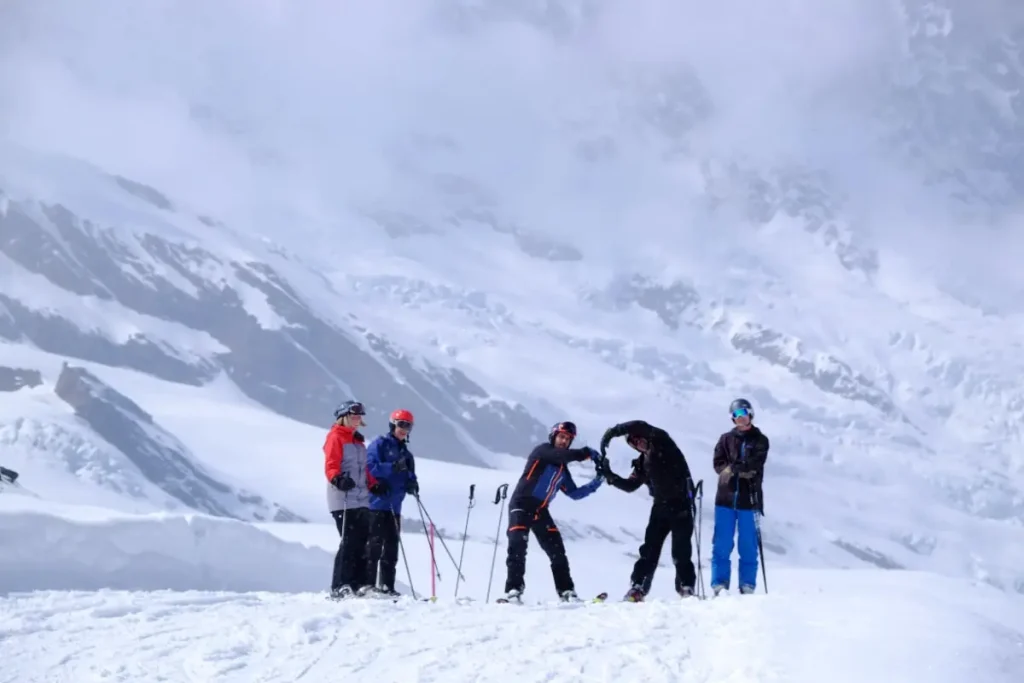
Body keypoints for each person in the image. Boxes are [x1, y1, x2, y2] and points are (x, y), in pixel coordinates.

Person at [499, 421, 603, 604]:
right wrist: (586, 452)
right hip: (521, 505)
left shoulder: (562, 469)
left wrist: (597, 482)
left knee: (557, 552)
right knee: (517, 546)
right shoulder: (543, 452)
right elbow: (563, 455)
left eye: (567, 439)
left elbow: (574, 493)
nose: (564, 441)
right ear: (554, 436)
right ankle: (513, 591)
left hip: (540, 511)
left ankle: (566, 592)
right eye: (561, 437)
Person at [597, 420, 697, 602]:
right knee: (649, 549)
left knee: (681, 550)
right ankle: (638, 587)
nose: (638, 443)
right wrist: (609, 475)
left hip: (682, 504)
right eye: (633, 443)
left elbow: (641, 425)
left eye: (638, 439)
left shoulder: (662, 442)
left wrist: (615, 431)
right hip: (660, 507)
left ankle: (686, 586)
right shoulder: (643, 462)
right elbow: (630, 485)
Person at [710, 398, 770, 596]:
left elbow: (754, 464)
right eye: (735, 415)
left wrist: (733, 468)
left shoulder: (760, 440)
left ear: (750, 414)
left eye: (743, 413)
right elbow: (718, 463)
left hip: (749, 500)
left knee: (748, 545)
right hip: (725, 499)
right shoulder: (725, 439)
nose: (740, 418)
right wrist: (734, 470)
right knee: (722, 543)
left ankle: (747, 585)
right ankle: (719, 584)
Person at [324, 400, 379, 599]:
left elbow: (363, 470)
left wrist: (373, 484)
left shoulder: (358, 441)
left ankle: (359, 585)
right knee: (349, 541)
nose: (358, 419)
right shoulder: (335, 437)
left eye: (360, 416)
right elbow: (331, 464)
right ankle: (340, 585)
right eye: (354, 415)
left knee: (363, 541)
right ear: (344, 416)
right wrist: (338, 479)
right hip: (343, 497)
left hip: (361, 498)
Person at [364, 409, 420, 597]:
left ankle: (387, 586)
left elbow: (409, 474)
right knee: (374, 545)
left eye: (408, 426)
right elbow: (369, 467)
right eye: (401, 424)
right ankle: (368, 584)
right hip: (377, 504)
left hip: (395, 506)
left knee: (391, 548)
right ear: (392, 425)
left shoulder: (406, 453)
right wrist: (392, 467)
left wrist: (412, 483)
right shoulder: (379, 444)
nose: (404, 429)